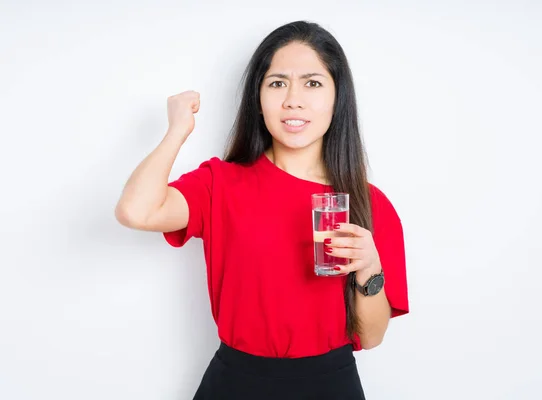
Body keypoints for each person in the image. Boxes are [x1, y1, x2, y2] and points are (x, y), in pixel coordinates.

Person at [115, 20, 409, 400]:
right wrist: (177, 131)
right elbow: (136, 211)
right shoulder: (220, 183)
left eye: (313, 83)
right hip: (237, 381)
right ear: (258, 99)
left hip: (330, 384)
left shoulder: (369, 204)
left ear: (338, 99)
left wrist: (370, 268)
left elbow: (371, 337)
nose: (293, 100)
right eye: (277, 83)